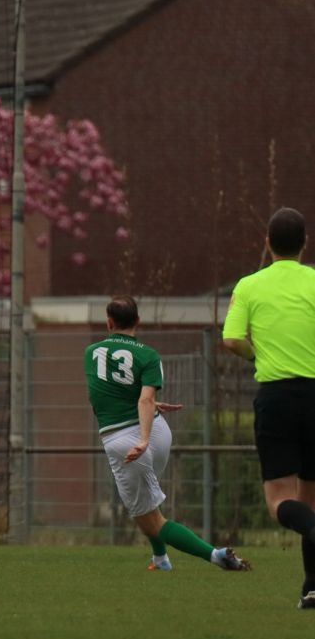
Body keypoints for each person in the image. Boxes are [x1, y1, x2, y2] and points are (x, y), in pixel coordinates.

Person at [86, 296, 250, 572]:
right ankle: (160, 559)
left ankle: (216, 555)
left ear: (109, 322)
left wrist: (142, 440)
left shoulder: (91, 352)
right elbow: (142, 397)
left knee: (151, 519)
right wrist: (150, 415)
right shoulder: (149, 355)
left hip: (126, 440)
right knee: (145, 507)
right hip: (159, 431)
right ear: (138, 321)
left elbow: (111, 396)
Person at [222, 206, 315, 608]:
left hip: (277, 397)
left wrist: (256, 354)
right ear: (305, 243)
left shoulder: (249, 286)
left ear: (268, 243)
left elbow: (231, 339)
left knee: (280, 502)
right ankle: (312, 589)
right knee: (311, 499)